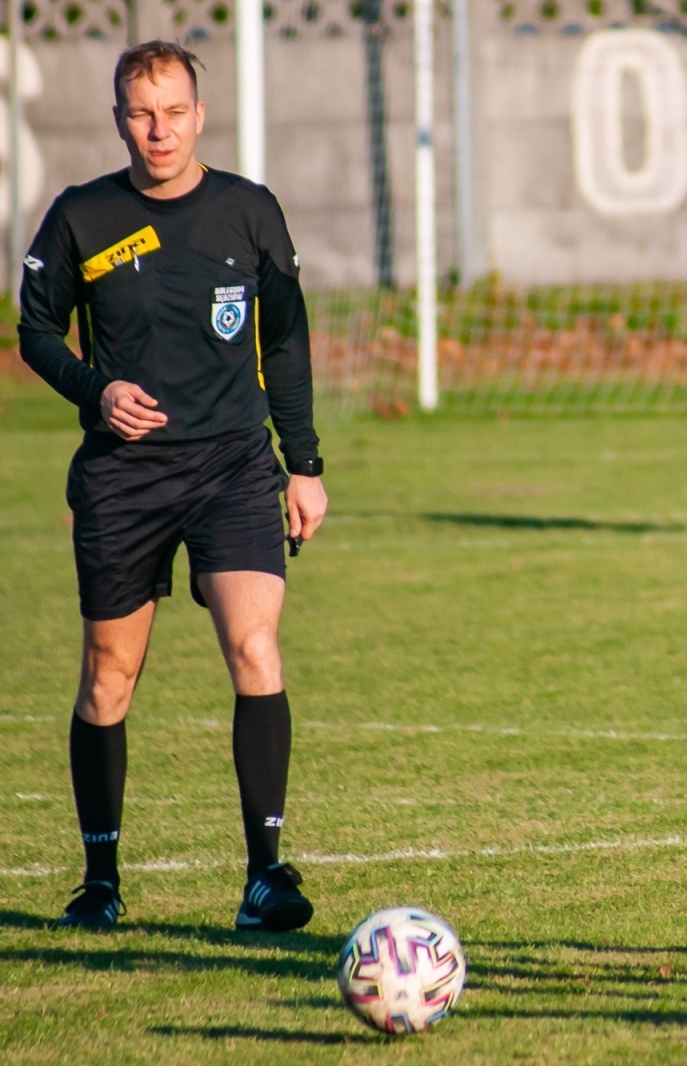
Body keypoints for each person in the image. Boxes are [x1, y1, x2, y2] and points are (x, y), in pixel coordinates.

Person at [18, 41, 327, 931]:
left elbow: (288, 344)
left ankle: (266, 877)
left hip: (233, 463)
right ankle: (101, 879)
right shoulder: (82, 217)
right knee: (109, 677)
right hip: (125, 478)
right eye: (142, 113)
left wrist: (302, 465)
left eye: (176, 111)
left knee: (256, 649)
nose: (161, 130)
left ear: (200, 113)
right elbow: (36, 330)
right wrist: (96, 389)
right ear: (120, 118)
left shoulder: (249, 211)